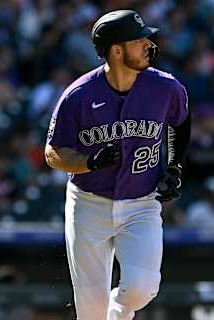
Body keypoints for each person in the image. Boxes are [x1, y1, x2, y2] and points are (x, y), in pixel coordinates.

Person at [44, 10, 191, 320]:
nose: (149, 45)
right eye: (139, 41)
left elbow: (181, 122)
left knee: (142, 287)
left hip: (142, 202)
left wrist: (175, 167)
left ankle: (120, 311)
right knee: (90, 310)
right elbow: (54, 153)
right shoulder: (79, 95)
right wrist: (90, 162)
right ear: (117, 49)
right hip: (89, 203)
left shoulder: (166, 87)